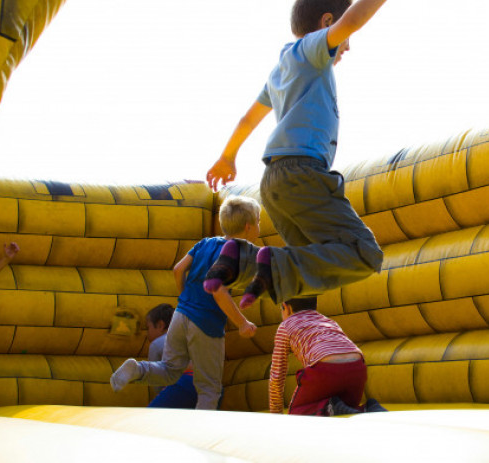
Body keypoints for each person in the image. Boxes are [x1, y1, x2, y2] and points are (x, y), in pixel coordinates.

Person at [203, 0, 386, 310]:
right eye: (345, 39)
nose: (348, 47)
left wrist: (227, 156)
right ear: (327, 21)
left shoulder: (281, 70)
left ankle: (244, 261)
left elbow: (250, 118)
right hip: (302, 173)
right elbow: (353, 19)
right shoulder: (312, 51)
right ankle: (267, 264)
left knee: (307, 267)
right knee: (363, 253)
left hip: (273, 182)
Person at [110, 196, 261, 410]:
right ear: (248, 227)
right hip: (206, 322)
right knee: (209, 388)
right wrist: (242, 323)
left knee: (170, 369)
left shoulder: (205, 243)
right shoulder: (235, 254)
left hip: (181, 315)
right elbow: (218, 290)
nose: (259, 227)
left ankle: (138, 369)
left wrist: (184, 300)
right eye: (258, 221)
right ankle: (201, 432)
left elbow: (178, 269)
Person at [269, 297, 387, 415]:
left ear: (286, 307)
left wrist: (276, 414)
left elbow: (277, 373)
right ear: (315, 306)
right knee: (346, 408)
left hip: (325, 369)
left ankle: (329, 408)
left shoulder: (285, 325)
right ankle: (368, 408)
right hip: (357, 368)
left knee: (297, 414)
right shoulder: (328, 321)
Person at [144, 303, 198, 409]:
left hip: (184, 383)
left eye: (148, 328)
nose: (146, 333)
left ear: (160, 325)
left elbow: (157, 381)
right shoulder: (191, 338)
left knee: (150, 416)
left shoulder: (157, 344)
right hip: (210, 386)